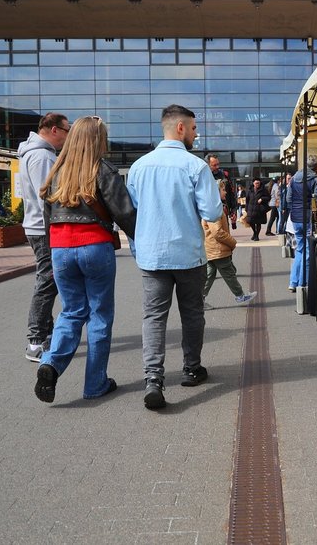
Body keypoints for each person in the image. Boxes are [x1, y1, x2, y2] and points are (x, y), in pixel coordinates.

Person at [33, 115, 136, 403]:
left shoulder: (57, 170)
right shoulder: (103, 169)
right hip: (94, 245)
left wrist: (50, 255)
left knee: (71, 311)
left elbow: (47, 218)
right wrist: (142, 240)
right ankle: (95, 384)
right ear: (98, 139)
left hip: (60, 249)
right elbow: (125, 213)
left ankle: (51, 363)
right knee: (99, 314)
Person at [127, 104, 222, 411]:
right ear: (180, 128)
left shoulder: (139, 167)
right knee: (192, 313)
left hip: (152, 256)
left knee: (154, 317)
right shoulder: (195, 167)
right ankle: (192, 369)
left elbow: (132, 212)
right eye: (193, 128)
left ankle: (153, 379)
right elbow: (212, 212)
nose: (196, 134)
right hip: (188, 254)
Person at [17, 112, 71, 362]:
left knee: (47, 280)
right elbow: (47, 199)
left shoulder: (34, 153)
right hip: (43, 228)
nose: (68, 136)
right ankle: (36, 341)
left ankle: (45, 334)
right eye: (66, 130)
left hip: (37, 226)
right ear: (53, 129)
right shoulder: (42, 156)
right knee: (47, 282)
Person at [202, 179, 257, 310]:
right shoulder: (214, 208)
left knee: (210, 275)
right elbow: (217, 232)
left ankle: (198, 299)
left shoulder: (212, 206)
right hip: (218, 249)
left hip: (212, 248)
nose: (225, 192)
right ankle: (240, 295)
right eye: (223, 190)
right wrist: (232, 242)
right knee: (229, 273)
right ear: (215, 192)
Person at [286, 154, 317, 293]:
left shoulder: (294, 178)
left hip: (295, 217)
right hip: (308, 218)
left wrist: (295, 209)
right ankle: (303, 283)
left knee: (300, 249)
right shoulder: (316, 180)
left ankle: (293, 282)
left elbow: (288, 198)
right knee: (308, 251)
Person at [206, 154, 237, 229]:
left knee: (225, 233)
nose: (217, 167)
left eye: (218, 164)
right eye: (214, 165)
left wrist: (233, 211)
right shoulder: (203, 177)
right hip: (209, 214)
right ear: (208, 165)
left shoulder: (225, 175)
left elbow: (231, 194)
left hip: (224, 212)